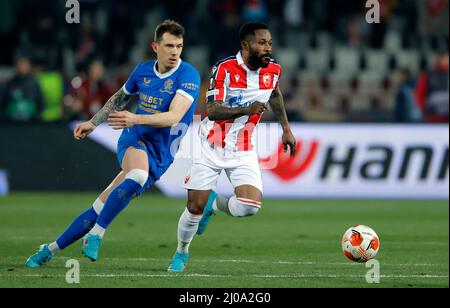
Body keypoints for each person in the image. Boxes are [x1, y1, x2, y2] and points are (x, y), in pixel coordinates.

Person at [25, 20, 201, 267]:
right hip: (135, 138)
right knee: (138, 174)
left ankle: (50, 249)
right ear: (155, 46)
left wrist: (135, 117)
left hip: (161, 154)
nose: (174, 52)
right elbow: (120, 98)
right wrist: (94, 122)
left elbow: (174, 117)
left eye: (179, 46)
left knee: (100, 206)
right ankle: (96, 235)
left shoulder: (188, 75)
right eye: (169, 45)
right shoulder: (142, 71)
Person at [168, 22, 296, 273]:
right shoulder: (224, 69)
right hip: (210, 145)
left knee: (250, 206)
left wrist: (286, 129)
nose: (268, 48)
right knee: (194, 207)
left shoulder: (274, 70)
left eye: (269, 43)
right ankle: (182, 251)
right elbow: (212, 110)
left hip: (243, 148)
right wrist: (247, 109)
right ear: (246, 45)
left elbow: (274, 94)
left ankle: (213, 205)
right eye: (262, 43)